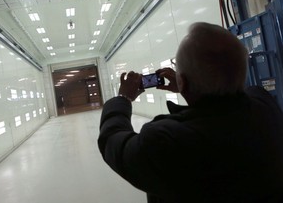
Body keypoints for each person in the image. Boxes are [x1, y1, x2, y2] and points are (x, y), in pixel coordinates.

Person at [98, 22, 283, 203]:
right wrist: (190, 86)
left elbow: (112, 141)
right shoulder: (265, 106)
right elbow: (233, 93)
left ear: (183, 82)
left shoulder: (166, 141)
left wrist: (123, 98)